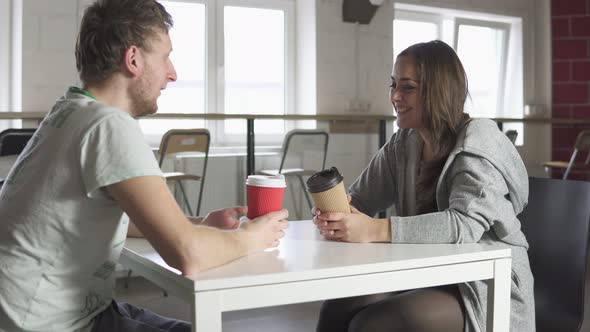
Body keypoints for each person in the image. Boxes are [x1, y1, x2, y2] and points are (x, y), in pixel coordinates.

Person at [0, 0, 288, 331]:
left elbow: (99, 212)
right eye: (165, 57)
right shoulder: (109, 125)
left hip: (36, 313)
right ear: (133, 59)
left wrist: (198, 223)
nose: (173, 73)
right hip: (50, 324)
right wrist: (252, 237)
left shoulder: (70, 110)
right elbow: (189, 255)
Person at [313, 40, 534, 332]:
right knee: (340, 306)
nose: (394, 96)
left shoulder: (478, 141)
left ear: (438, 90)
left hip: (482, 287)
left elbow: (464, 225)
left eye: (407, 87)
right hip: (426, 274)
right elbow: (362, 199)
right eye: (393, 85)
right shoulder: (404, 142)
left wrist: (373, 229)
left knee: (374, 324)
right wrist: (338, 215)